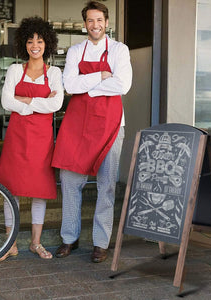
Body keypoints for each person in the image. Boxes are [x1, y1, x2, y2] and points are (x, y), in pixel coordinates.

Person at [52, 1, 132, 263]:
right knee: (70, 182)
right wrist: (101, 77)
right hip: (77, 125)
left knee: (106, 185)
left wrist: (89, 87)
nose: (95, 25)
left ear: (106, 23)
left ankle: (100, 242)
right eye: (90, 20)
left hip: (110, 125)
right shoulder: (76, 50)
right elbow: (70, 86)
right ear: (85, 23)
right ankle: (69, 239)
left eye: (99, 20)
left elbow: (124, 85)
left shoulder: (120, 50)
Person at [0, 16, 63, 261]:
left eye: (40, 40)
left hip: (41, 139)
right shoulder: (14, 69)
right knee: (10, 188)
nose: (35, 45)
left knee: (39, 190)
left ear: (48, 44)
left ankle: (35, 242)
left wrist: (25, 101)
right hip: (17, 136)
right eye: (31, 40)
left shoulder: (54, 72)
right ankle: (10, 244)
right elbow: (5, 101)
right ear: (24, 43)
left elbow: (57, 103)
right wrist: (37, 104)